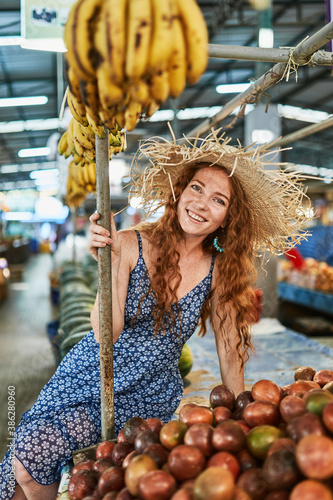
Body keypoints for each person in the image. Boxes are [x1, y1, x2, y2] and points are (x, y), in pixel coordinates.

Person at [0, 130, 310, 500]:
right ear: (179, 192)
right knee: (24, 459)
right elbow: (105, 334)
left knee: (41, 458)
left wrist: (240, 413)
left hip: (149, 393)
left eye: (218, 200)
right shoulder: (131, 243)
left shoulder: (219, 271)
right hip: (93, 375)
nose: (201, 204)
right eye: (196, 188)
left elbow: (229, 350)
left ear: (227, 217)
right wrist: (111, 261)